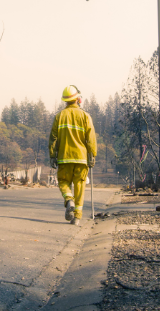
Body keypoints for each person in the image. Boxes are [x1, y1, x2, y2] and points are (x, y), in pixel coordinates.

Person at [49, 85, 97, 226]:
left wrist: (53, 155)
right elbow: (91, 138)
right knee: (80, 186)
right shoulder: (85, 116)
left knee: (63, 182)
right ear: (78, 99)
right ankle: (77, 217)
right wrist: (92, 154)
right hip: (81, 159)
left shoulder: (59, 116)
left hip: (64, 158)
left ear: (65, 101)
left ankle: (68, 198)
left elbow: (53, 138)